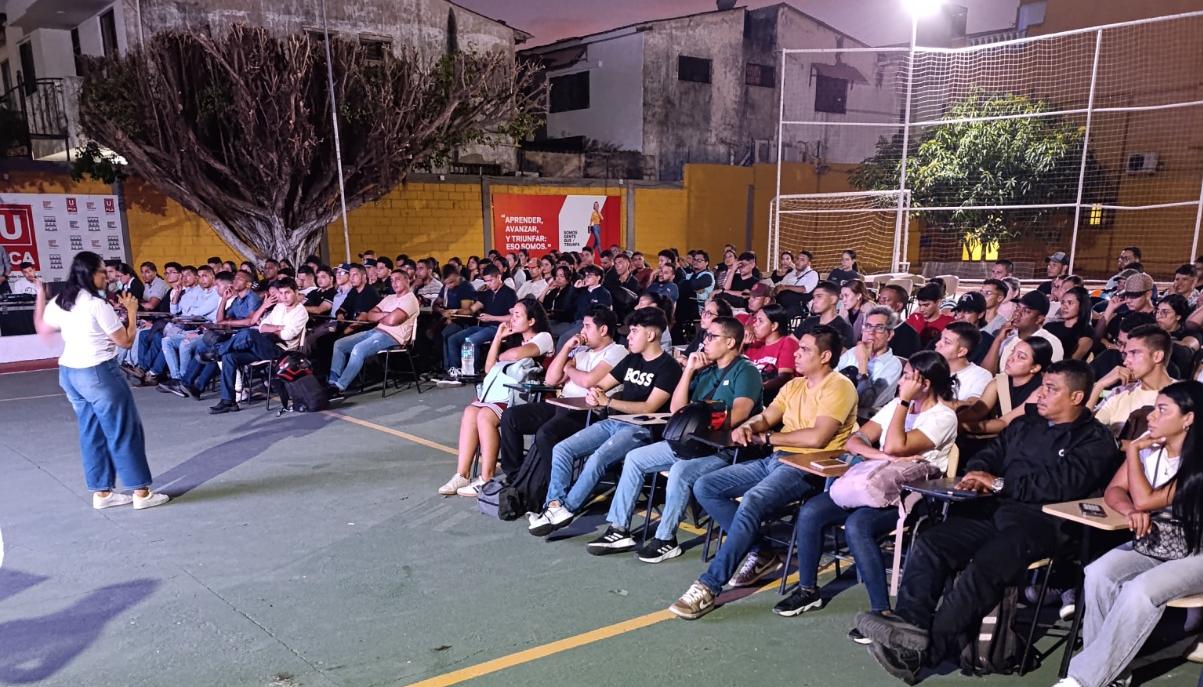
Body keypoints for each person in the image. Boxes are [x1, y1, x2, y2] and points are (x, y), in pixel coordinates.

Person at [856, 360, 1120, 681]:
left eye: (1051, 389)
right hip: (995, 508)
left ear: (1077, 397)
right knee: (931, 542)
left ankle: (924, 653)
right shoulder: (1027, 424)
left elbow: (1062, 486)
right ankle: (909, 627)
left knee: (985, 565)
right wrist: (975, 474)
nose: (1041, 394)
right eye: (1042, 386)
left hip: (1046, 521)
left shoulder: (1094, 440)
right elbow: (991, 454)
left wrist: (998, 483)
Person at [667, 326, 858, 620]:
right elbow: (768, 416)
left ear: (826, 356)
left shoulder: (839, 386)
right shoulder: (794, 385)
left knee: (753, 500)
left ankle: (709, 585)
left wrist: (767, 438)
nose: (796, 353)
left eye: (805, 349)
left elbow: (817, 438)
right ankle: (761, 550)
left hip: (808, 467)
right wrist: (750, 426)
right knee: (705, 486)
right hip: (777, 459)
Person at [777, 351, 958, 618]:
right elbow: (855, 440)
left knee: (857, 525)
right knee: (812, 511)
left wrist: (905, 403)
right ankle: (808, 590)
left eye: (907, 378)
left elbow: (898, 444)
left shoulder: (943, 417)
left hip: (911, 494)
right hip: (875, 482)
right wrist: (882, 455)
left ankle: (881, 611)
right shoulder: (896, 405)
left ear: (925, 383)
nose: (900, 383)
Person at [1056, 381, 1203, 687]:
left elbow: (1148, 500)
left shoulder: (1197, 461)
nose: (1151, 416)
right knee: (1098, 573)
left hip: (1196, 552)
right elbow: (1114, 490)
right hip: (1154, 545)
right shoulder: (1153, 451)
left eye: (1162, 410)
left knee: (1140, 590)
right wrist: (1129, 512)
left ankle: (1084, 679)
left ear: (1188, 418)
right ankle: (1112, 676)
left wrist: (1133, 450)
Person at [586, 315, 763, 561]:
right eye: (705, 336)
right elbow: (676, 410)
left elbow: (739, 414)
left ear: (731, 342)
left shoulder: (746, 371)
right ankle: (618, 529)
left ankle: (666, 538)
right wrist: (689, 370)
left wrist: (700, 418)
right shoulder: (706, 371)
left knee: (680, 470)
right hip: (692, 443)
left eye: (711, 336)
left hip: (721, 450)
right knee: (635, 458)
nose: (705, 341)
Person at [33, 252, 169, 510]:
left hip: (70, 373)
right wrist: (131, 311)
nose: (107, 277)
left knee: (91, 432)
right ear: (89, 274)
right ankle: (141, 492)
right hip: (98, 372)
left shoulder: (61, 301)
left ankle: (102, 493)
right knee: (123, 430)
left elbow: (41, 326)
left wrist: (40, 293)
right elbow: (126, 341)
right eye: (102, 272)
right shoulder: (98, 305)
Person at [528, 307, 681, 536]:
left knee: (598, 457)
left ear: (650, 335)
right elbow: (602, 384)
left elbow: (650, 407)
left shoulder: (668, 367)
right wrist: (595, 393)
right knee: (562, 449)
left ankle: (567, 509)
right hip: (614, 421)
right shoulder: (631, 359)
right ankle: (554, 506)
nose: (628, 336)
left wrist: (608, 401)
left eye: (633, 332)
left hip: (641, 428)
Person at [487, 307, 628, 511]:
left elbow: (590, 380)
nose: (583, 332)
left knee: (546, 434)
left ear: (603, 329)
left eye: (587, 327)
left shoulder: (616, 352)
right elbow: (551, 379)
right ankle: (517, 476)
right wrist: (566, 349)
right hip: (563, 404)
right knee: (511, 417)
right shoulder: (581, 351)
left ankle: (547, 487)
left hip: (587, 411)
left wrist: (570, 368)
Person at [438, 298, 555, 496]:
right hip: (502, 393)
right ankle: (463, 474)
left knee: (484, 416)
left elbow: (517, 355)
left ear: (532, 321)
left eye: (518, 315)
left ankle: (486, 478)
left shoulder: (543, 337)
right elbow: (489, 368)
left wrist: (505, 354)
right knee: (469, 412)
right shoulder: (514, 338)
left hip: (527, 398)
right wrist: (498, 337)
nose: (512, 318)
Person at [209, 277, 309, 415]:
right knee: (229, 356)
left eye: (288, 293)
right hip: (265, 345)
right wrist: (278, 327)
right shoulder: (280, 307)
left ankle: (217, 351)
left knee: (249, 334)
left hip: (282, 352)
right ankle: (228, 401)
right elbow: (262, 326)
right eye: (281, 293)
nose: (284, 297)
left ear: (296, 292)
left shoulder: (301, 312)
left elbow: (287, 335)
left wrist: (271, 328)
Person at [326, 269, 421, 398]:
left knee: (358, 349)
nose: (394, 283)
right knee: (339, 344)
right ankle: (332, 382)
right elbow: (369, 315)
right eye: (392, 280)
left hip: (393, 337)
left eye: (397, 279)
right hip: (376, 331)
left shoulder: (410, 300)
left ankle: (340, 387)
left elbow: (392, 320)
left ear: (407, 280)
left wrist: (381, 316)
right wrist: (385, 315)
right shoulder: (390, 298)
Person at [959, 337, 1054, 451]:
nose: (1011, 358)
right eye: (1013, 352)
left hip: (1025, 446)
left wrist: (962, 426)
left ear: (1034, 368)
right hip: (1003, 441)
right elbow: (977, 410)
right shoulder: (1000, 382)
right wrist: (953, 420)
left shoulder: (1040, 391)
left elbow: (1004, 422)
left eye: (1021, 357)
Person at [1088, 324, 1176, 440]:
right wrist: (1099, 386)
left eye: (1134, 353)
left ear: (1157, 356)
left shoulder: (1184, 395)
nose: (1125, 362)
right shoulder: (1120, 393)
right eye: (1126, 354)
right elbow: (1082, 431)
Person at [440, 265, 517, 377]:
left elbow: (513, 316)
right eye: (486, 281)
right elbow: (471, 309)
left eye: (491, 280)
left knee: (470, 340)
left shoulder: (509, 293)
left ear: (499, 277)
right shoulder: (487, 293)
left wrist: (491, 317)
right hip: (483, 327)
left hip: (498, 327)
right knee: (453, 339)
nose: (489, 284)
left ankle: (471, 371)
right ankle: (455, 370)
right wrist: (455, 311)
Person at [835, 306, 904, 421]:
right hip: (835, 411)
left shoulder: (893, 365)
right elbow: (830, 383)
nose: (871, 333)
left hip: (862, 420)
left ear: (890, 334)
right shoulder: (853, 352)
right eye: (868, 326)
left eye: (879, 328)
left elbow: (865, 402)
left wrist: (863, 362)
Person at [982, 290, 1065, 374]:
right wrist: (998, 340)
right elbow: (986, 373)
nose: (1017, 313)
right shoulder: (1007, 337)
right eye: (1018, 308)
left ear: (1039, 319)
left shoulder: (1050, 342)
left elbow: (1049, 378)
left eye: (1026, 311)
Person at [744, 304, 799, 401]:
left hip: (773, 398)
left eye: (760, 321)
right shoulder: (754, 345)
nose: (754, 324)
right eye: (755, 319)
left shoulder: (787, 342)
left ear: (774, 326)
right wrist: (742, 343)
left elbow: (785, 377)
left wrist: (756, 389)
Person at [934, 321, 993, 408]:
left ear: (961, 351)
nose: (937, 344)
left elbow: (972, 404)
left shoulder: (980, 375)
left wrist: (930, 399)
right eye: (940, 338)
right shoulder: (932, 367)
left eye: (946, 342)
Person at [794, 281, 855, 349]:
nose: (814, 301)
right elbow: (790, 341)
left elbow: (842, 356)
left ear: (833, 299)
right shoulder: (809, 321)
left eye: (819, 296)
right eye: (814, 297)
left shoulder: (844, 328)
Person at [1046, 286, 1095, 361]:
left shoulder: (1086, 332)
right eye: (1062, 302)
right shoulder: (1049, 326)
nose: (1064, 307)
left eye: (1070, 303)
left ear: (1081, 305)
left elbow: (1073, 360)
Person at [876, 284, 921, 359]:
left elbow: (900, 365)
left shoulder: (909, 335)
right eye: (879, 299)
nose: (880, 303)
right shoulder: (873, 327)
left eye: (885, 300)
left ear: (898, 306)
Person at [905, 283, 953, 349]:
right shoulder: (913, 319)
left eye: (926, 305)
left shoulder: (949, 323)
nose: (921, 309)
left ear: (938, 302)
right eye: (920, 305)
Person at [773, 249, 819, 316]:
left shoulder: (812, 274)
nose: (798, 261)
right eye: (797, 259)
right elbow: (780, 286)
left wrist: (786, 287)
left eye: (802, 260)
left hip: (799, 306)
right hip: (783, 302)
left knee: (785, 306)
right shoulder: (791, 274)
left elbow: (804, 289)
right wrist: (776, 290)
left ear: (808, 263)